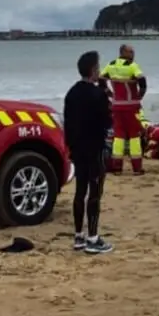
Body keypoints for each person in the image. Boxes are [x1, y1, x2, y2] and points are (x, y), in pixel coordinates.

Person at [63, 50, 114, 254]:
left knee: (80, 191)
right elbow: (108, 120)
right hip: (94, 149)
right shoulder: (98, 95)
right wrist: (105, 90)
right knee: (95, 193)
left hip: (77, 148)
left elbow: (67, 123)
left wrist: (70, 147)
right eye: (98, 67)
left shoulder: (71, 93)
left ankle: (78, 236)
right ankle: (93, 237)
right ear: (93, 70)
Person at [100, 44, 147, 175]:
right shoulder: (132, 66)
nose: (133, 54)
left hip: (117, 106)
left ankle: (117, 167)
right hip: (131, 106)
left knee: (119, 136)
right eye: (131, 52)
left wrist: (109, 93)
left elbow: (101, 79)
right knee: (134, 136)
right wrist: (140, 95)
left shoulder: (111, 65)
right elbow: (142, 80)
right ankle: (137, 168)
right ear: (124, 52)